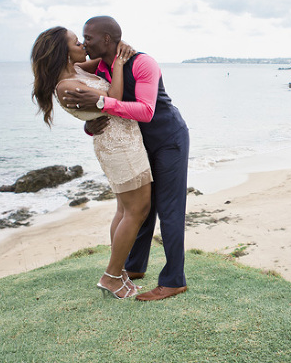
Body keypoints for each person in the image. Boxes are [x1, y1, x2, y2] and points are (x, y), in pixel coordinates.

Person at [65, 16, 189, 301]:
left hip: (169, 140)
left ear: (107, 39)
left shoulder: (143, 63)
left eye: (88, 38)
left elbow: (146, 110)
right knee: (142, 208)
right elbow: (68, 73)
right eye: (81, 38)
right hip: (138, 145)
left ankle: (174, 280)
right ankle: (134, 266)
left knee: (169, 209)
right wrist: (89, 124)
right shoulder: (100, 65)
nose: (84, 43)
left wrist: (102, 103)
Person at [31, 26, 152, 299]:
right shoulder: (66, 86)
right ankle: (111, 276)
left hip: (125, 140)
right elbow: (113, 100)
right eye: (77, 42)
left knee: (124, 210)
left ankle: (120, 273)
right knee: (137, 210)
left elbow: (104, 53)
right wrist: (119, 63)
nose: (83, 45)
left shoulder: (77, 70)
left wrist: (118, 46)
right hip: (118, 147)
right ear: (63, 52)